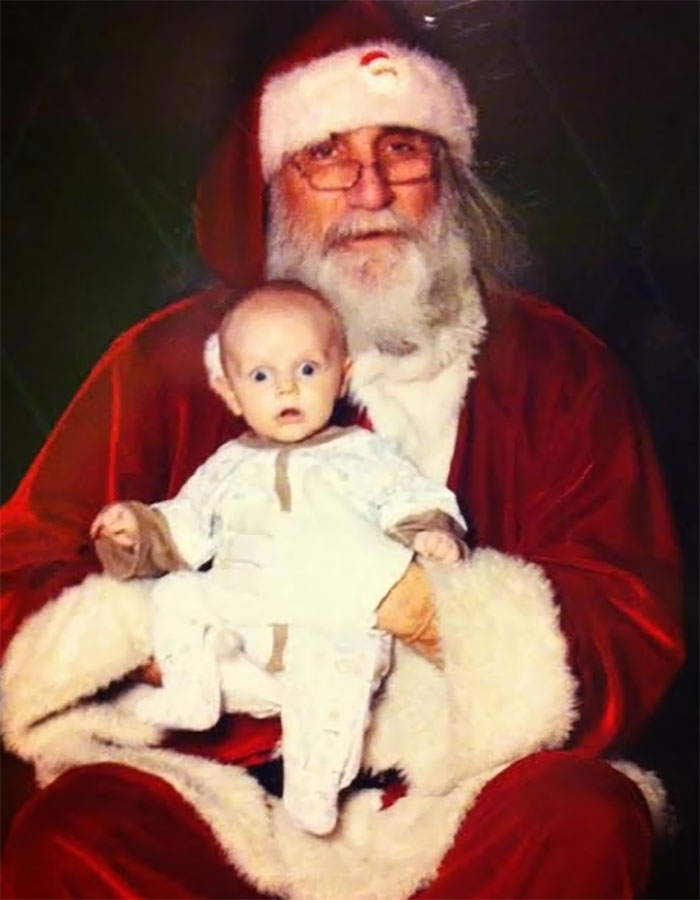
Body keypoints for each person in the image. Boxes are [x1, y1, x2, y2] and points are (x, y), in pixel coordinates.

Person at [0, 1, 684, 897]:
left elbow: (628, 613)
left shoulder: (558, 369)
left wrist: (426, 611)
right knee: (79, 832)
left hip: (448, 793)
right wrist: (168, 625)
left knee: (582, 815)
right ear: (275, 180)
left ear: (448, 174)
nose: (369, 191)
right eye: (327, 154)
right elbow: (22, 574)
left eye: (402, 149)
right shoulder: (160, 365)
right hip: (212, 788)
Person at [89, 279, 467, 835]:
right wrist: (134, 532)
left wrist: (431, 531)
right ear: (230, 392)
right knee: (178, 593)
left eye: (308, 369)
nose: (286, 387)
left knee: (337, 678)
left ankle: (313, 792)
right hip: (246, 630)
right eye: (261, 376)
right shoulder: (227, 464)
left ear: (344, 374)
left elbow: (413, 498)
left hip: (331, 629)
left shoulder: (362, 454)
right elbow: (185, 528)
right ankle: (192, 694)